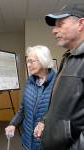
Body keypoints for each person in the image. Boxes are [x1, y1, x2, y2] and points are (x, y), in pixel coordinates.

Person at [34, 3, 84, 150]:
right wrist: (45, 121)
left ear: (81, 23)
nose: (54, 31)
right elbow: (59, 104)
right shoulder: (68, 57)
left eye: (60, 24)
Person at [5, 45, 56, 150]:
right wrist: (13, 124)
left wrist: (43, 123)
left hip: (46, 143)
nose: (28, 65)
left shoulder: (57, 83)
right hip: (27, 141)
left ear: (43, 60)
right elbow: (23, 109)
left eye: (31, 61)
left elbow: (60, 113)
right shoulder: (29, 82)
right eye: (27, 61)